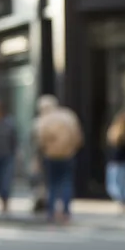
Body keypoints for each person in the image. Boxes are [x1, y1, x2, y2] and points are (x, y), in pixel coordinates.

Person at [35, 94, 84, 224]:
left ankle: (51, 212)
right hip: (68, 154)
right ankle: (66, 211)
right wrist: (72, 149)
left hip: (50, 155)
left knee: (52, 184)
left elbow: (40, 140)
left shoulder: (44, 120)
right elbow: (78, 136)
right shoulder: (68, 116)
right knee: (66, 182)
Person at [105, 111, 125, 212]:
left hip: (117, 162)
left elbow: (111, 144)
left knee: (117, 183)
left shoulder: (115, 132)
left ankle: (121, 200)